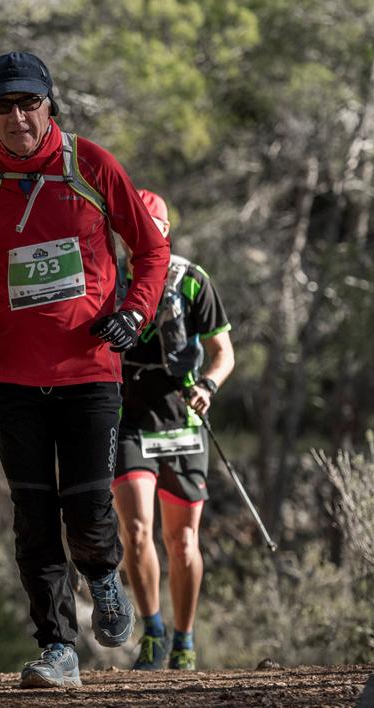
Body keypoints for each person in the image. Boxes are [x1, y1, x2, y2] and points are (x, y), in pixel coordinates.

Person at [0, 51, 171, 689]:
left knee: (90, 508)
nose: (16, 117)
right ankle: (57, 648)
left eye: (27, 103)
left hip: (90, 371)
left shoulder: (91, 165)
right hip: (9, 379)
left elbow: (151, 247)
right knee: (34, 519)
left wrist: (136, 313)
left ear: (50, 105)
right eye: (2, 107)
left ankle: (103, 574)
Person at [111, 190, 234, 671]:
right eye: (131, 230)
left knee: (182, 541)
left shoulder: (191, 281)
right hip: (127, 420)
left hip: (182, 419)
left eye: (150, 229)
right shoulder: (105, 278)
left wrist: (208, 385)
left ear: (164, 232)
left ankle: (184, 639)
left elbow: (224, 352)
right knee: (137, 531)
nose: (139, 238)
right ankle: (153, 632)